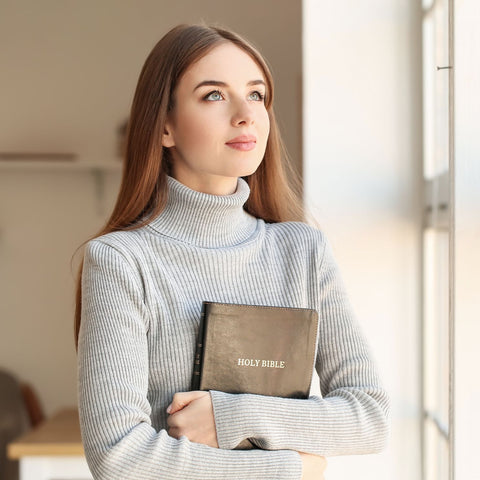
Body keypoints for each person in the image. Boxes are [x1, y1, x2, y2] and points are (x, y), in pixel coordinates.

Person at [75, 24, 389, 480]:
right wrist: (290, 469)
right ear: (164, 126)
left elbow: (370, 418)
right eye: (214, 96)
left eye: (257, 95)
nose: (246, 114)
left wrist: (231, 416)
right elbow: (119, 457)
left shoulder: (303, 251)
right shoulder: (120, 261)